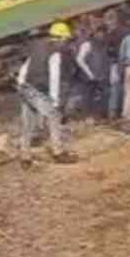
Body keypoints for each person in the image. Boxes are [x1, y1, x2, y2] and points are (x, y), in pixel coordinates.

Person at [17, 21, 79, 166]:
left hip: (25, 87)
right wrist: (55, 101)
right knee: (54, 116)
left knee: (28, 124)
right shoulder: (55, 53)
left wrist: (21, 84)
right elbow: (54, 78)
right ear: (61, 39)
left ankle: (25, 157)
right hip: (36, 90)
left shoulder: (37, 46)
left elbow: (26, 66)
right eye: (66, 40)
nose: (67, 44)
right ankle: (58, 152)